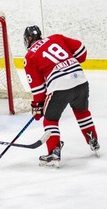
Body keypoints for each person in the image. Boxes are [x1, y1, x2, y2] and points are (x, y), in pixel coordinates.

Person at [23, 25, 100, 168]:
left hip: (60, 86)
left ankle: (53, 153)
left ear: (28, 39)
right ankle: (93, 140)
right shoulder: (56, 38)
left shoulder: (30, 56)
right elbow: (82, 51)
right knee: (82, 111)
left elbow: (38, 89)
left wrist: (38, 108)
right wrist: (67, 63)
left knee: (50, 118)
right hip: (81, 80)